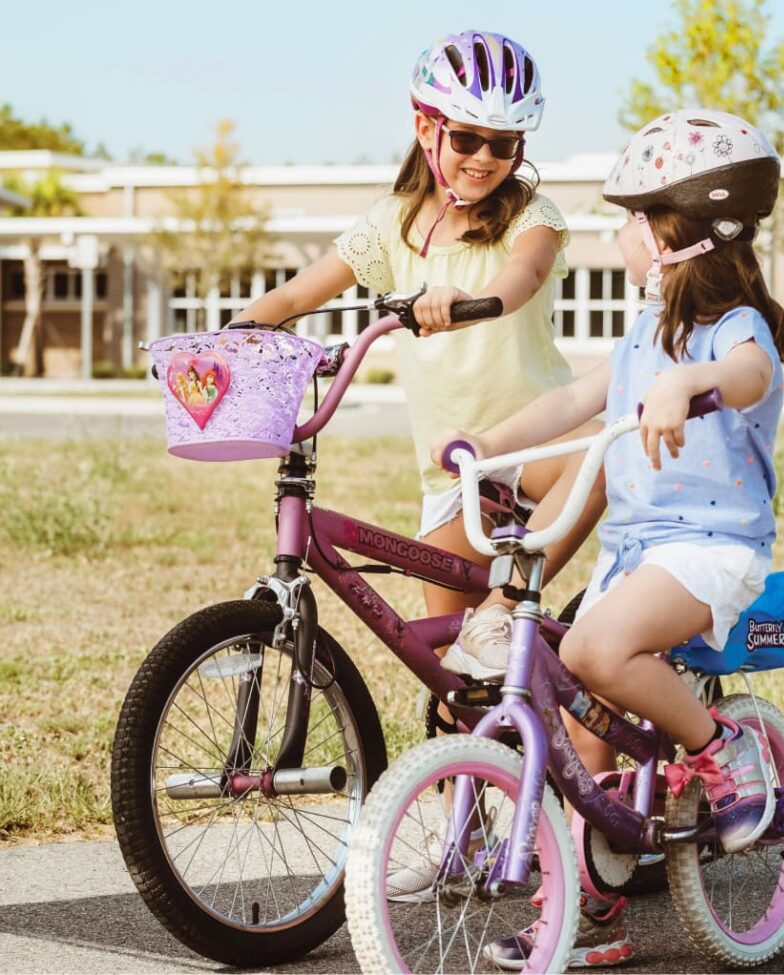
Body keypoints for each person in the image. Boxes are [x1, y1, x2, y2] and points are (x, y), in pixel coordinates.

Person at [230, 29, 606, 900]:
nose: (482, 159)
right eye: (466, 138)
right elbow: (298, 293)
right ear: (425, 127)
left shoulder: (535, 218)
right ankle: (454, 827)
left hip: (533, 448)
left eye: (503, 144)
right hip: (453, 475)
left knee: (586, 475)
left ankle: (519, 596)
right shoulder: (391, 226)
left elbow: (518, 278)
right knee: (453, 675)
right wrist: (240, 329)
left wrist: (458, 303)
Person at [431, 109, 784, 969]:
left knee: (592, 644)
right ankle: (590, 912)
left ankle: (724, 751)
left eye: (634, 218)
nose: (622, 233)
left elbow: (752, 374)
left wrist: (692, 381)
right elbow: (571, 403)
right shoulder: (640, 335)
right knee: (582, 733)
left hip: (711, 546)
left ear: (683, 236)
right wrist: (487, 452)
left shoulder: (733, 326)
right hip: (637, 551)